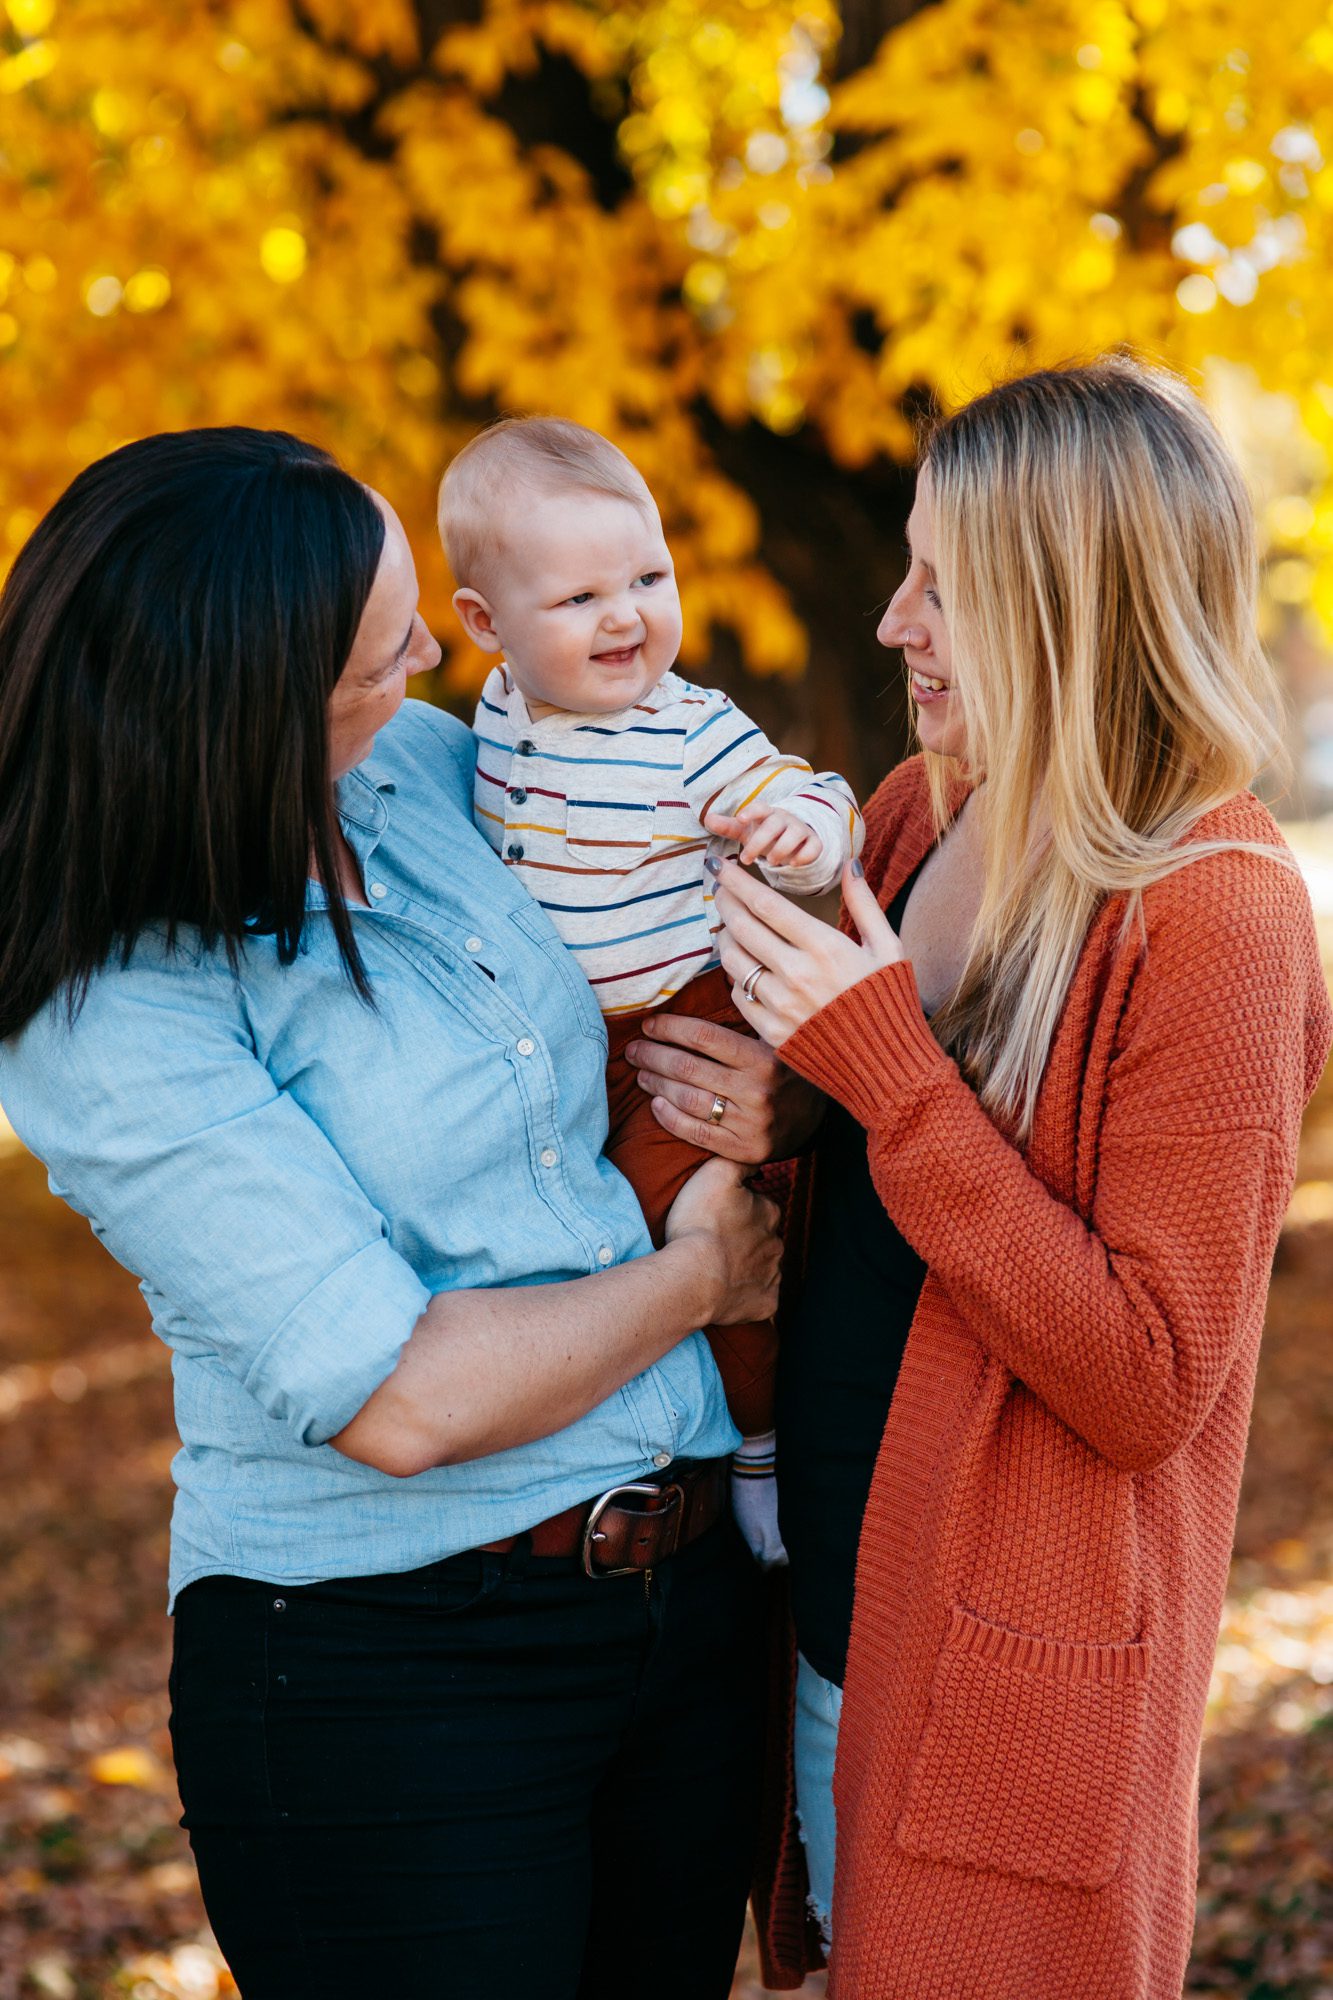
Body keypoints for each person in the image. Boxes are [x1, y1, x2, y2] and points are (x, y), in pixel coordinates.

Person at [0, 425, 802, 2000]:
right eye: (385, 654)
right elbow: (400, 1394)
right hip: (389, 1665)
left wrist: (764, 1089)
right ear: (241, 714)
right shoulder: (109, 1012)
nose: (440, 650)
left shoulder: (444, 769)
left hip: (680, 1604)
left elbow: (677, 950)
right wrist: (703, 1272)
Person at [634, 358, 1333, 1997]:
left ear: (1065, 611)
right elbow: (886, 1155)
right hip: (828, 1634)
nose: (891, 624)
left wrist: (875, 1067)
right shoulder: (909, 816)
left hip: (1000, 1699)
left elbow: (1149, 1374)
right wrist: (790, 1113)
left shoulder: (1215, 919)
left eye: (942, 590)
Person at [439, 415, 863, 1564]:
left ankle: (760, 1447)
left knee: (706, 1231)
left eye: (648, 576)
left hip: (681, 1017)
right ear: (487, 626)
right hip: (568, 1038)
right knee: (587, 1238)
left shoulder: (687, 727)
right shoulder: (492, 717)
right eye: (579, 599)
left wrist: (799, 830)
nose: (626, 614)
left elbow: (813, 788)